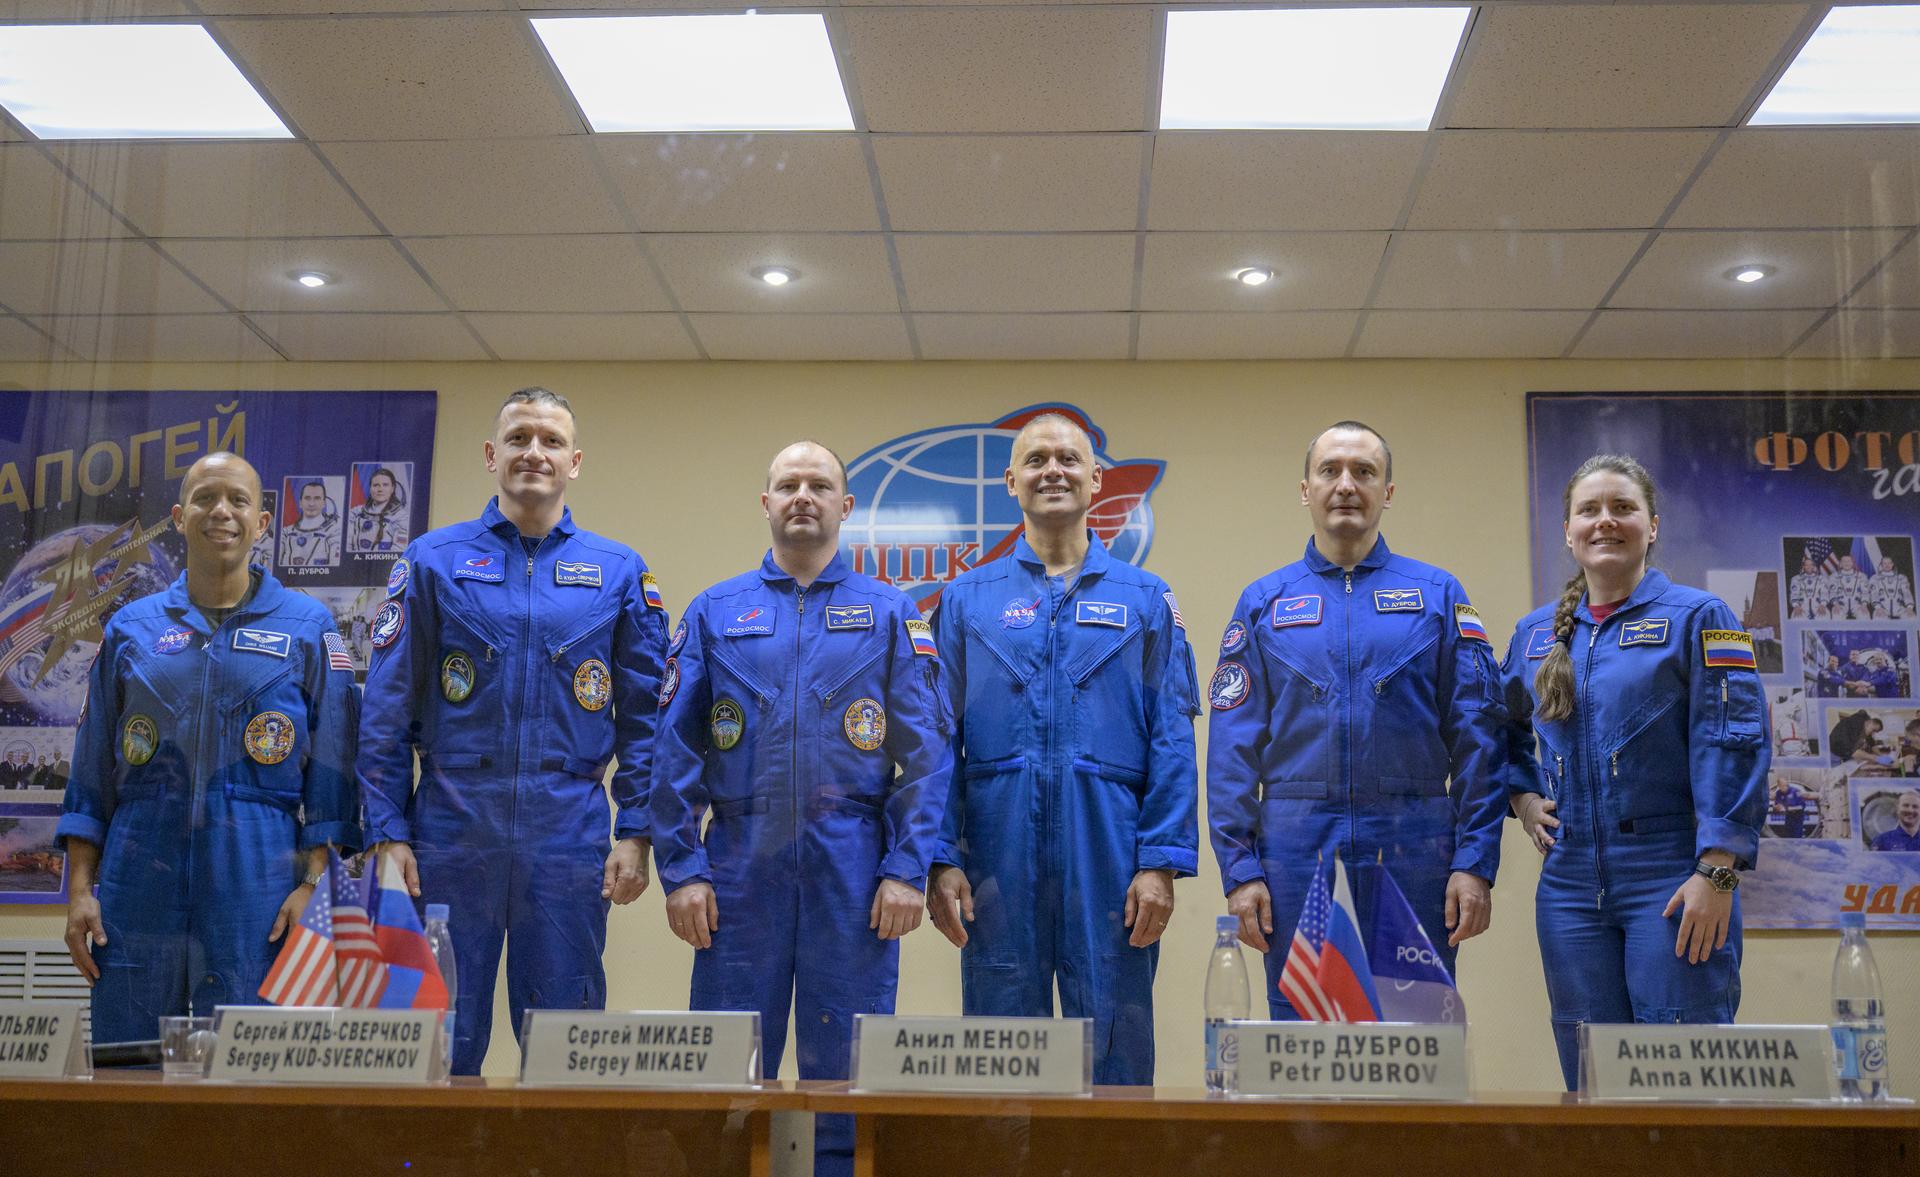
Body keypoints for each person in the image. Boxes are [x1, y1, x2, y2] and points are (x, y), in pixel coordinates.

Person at [652, 440, 951, 1177]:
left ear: (846, 507)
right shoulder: (717, 610)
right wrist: (682, 869)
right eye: (788, 483)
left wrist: (907, 869)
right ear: (766, 502)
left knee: (845, 1070)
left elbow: (928, 755)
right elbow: (673, 749)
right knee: (726, 1068)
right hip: (739, 861)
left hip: (850, 864)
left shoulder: (890, 612)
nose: (803, 495)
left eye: (820, 484)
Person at [359, 387, 668, 1075]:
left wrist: (637, 833)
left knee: (564, 1047)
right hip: (449, 825)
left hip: (568, 832)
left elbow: (645, 720)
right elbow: (383, 709)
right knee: (430, 1043)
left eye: (552, 440)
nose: (535, 452)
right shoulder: (432, 561)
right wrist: (386, 832)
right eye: (520, 438)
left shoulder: (619, 573)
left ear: (575, 461)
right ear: (492, 455)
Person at [927, 413, 1199, 1086]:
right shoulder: (965, 600)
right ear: (1011, 480)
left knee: (1114, 1039)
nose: (1054, 469)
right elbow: (937, 742)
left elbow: (1171, 739)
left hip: (1108, 852)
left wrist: (1161, 861)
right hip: (997, 851)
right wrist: (938, 856)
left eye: (1069, 459)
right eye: (1037, 458)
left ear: (1096, 479)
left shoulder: (1147, 600)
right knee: (1000, 1053)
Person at [58, 452, 360, 1044]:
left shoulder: (308, 626)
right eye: (205, 498)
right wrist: (78, 892)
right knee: (127, 1060)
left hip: (260, 870)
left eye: (238, 500)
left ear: (263, 522)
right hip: (140, 865)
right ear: (178, 516)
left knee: (251, 1063)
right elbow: (92, 767)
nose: (221, 511)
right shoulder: (131, 629)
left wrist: (312, 885)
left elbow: (335, 770)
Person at [1208, 421, 1505, 1017]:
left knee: (1418, 1035)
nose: (1346, 485)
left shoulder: (1439, 596)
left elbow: (1478, 737)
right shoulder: (1263, 602)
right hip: (1295, 847)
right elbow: (1231, 749)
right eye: (1331, 471)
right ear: (1306, 489)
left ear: (1387, 492)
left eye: (1364, 472)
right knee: (1303, 1037)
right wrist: (1240, 870)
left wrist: (1474, 862)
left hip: (1416, 845)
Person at [1500, 454, 1767, 1091]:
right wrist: (1523, 797)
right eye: (1589, 510)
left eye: (1623, 508)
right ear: (1568, 532)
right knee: (1592, 1082)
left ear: (1653, 527)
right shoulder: (1535, 635)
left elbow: (1732, 743)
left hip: (1672, 877)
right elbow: (1497, 731)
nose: (1606, 522)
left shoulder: (1700, 618)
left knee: (1684, 1078)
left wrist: (1718, 870)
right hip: (1568, 887)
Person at [278, 478, 341, 568]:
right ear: (300, 502)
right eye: (307, 498)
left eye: (317, 498)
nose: (311, 504)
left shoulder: (334, 532)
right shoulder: (285, 533)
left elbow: (335, 570)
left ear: (324, 503)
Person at [348, 465, 411, 554]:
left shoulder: (401, 517)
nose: (380, 489)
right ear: (370, 488)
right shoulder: (355, 513)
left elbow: (398, 553)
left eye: (385, 485)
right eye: (376, 485)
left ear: (392, 489)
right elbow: (347, 546)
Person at [1867, 555, 1914, 620]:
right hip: (1883, 608)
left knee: (1911, 617)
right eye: (1885, 563)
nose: (1887, 565)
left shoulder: (1901, 578)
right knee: (1878, 618)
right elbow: (1874, 594)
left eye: (1889, 563)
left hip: (1899, 608)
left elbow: (1907, 593)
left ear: (1892, 564)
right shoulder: (1875, 578)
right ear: (1881, 565)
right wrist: (1878, 607)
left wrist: (1909, 607)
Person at [1788, 555, 1821, 620]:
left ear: (1814, 566)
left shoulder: (1821, 579)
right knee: (1796, 617)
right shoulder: (1796, 579)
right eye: (1806, 565)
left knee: (1824, 616)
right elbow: (1794, 593)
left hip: (1818, 606)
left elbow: (1824, 592)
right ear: (1803, 567)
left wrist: (1823, 604)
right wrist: (1796, 605)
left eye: (1811, 565)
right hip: (1801, 606)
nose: (1809, 567)